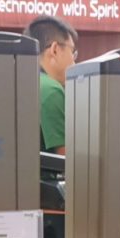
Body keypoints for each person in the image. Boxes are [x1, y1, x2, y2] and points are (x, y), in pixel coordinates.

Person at [24, 16, 78, 155]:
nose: (74, 62)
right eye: (72, 52)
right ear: (55, 50)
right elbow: (66, 160)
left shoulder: (25, 81)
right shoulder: (51, 90)